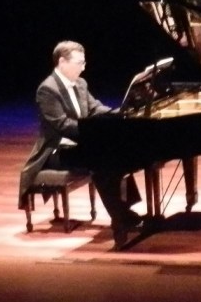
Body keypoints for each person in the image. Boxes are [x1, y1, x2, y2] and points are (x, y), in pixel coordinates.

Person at [18, 40, 142, 249]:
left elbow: (94, 108)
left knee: (114, 158)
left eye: (84, 63)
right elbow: (61, 125)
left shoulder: (80, 83)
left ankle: (123, 215)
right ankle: (121, 218)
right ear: (62, 62)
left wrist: (121, 114)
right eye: (79, 63)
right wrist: (93, 134)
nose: (83, 67)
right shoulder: (47, 90)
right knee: (102, 162)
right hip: (56, 150)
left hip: (79, 144)